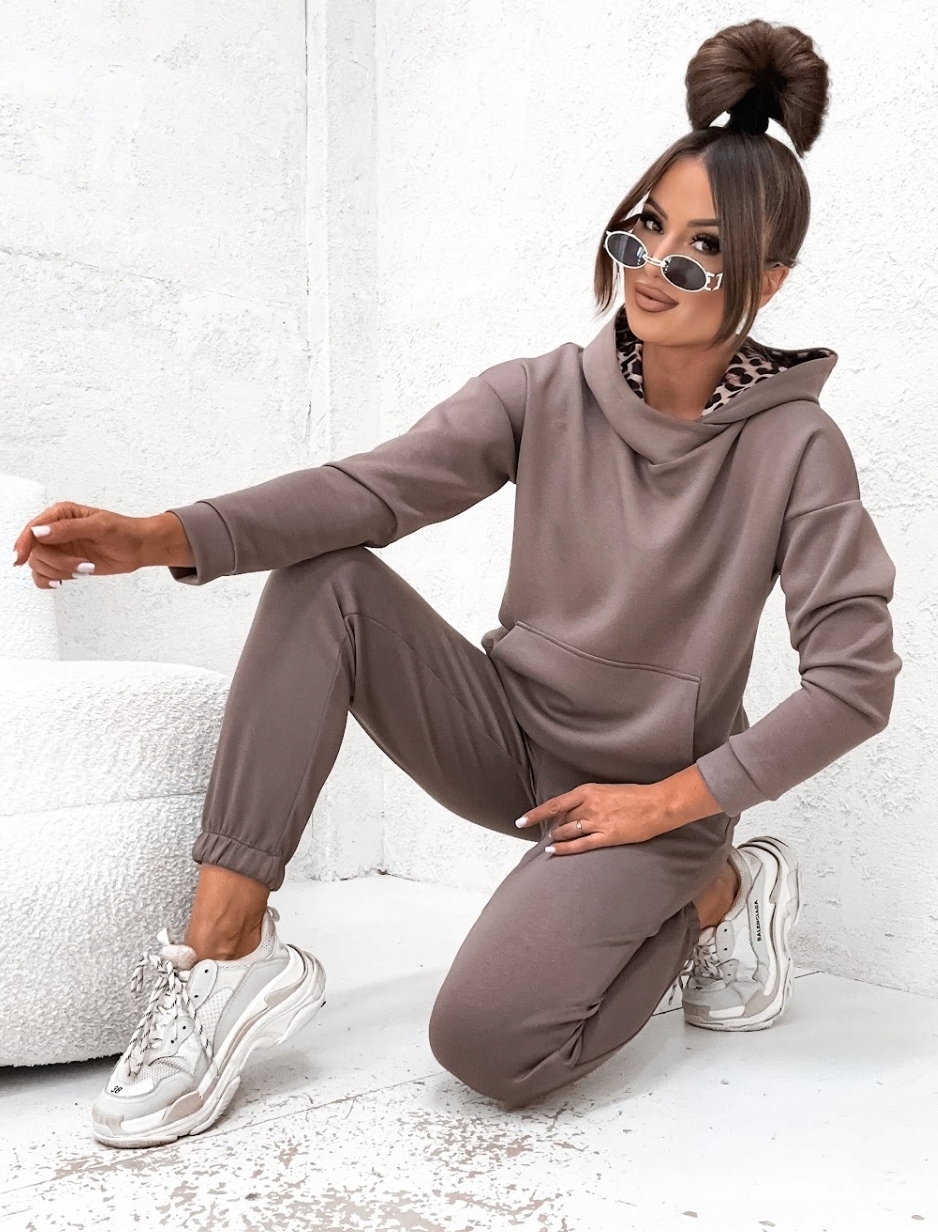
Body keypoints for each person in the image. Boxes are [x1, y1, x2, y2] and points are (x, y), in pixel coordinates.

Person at [11, 18, 901, 1149]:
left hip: (652, 797)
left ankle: (713, 893)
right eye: (643, 230)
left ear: (766, 283)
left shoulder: (797, 450)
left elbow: (853, 684)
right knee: (323, 579)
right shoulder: (540, 392)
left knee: (490, 1046)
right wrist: (161, 535)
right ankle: (226, 950)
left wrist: (673, 805)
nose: (652, 270)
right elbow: (367, 490)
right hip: (509, 740)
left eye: (699, 253)